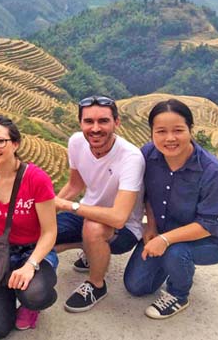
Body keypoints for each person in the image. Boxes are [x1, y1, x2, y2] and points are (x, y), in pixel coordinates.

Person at [123, 99, 218, 319]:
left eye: (178, 130)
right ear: (151, 133)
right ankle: (175, 264)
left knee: (177, 253)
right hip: (166, 229)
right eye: (161, 131)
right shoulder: (148, 155)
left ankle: (178, 294)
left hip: (212, 240)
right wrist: (152, 227)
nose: (170, 138)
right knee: (136, 286)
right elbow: (147, 192)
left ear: (190, 130)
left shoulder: (213, 172)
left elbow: (210, 225)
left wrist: (165, 240)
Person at [0, 115, 58, 338]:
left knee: (35, 294)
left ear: (15, 144)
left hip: (31, 250)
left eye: (0, 141)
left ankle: (30, 303)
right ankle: (7, 288)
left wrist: (31, 265)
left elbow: (50, 232)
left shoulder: (36, 179)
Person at [54, 95, 145, 312]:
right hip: (86, 213)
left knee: (93, 228)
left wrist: (69, 206)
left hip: (123, 230)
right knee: (44, 234)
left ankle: (96, 284)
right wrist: (47, 212)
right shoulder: (76, 142)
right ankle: (93, 252)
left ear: (116, 122)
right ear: (80, 123)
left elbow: (119, 217)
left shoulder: (131, 157)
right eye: (89, 122)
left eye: (103, 121)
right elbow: (75, 185)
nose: (95, 128)